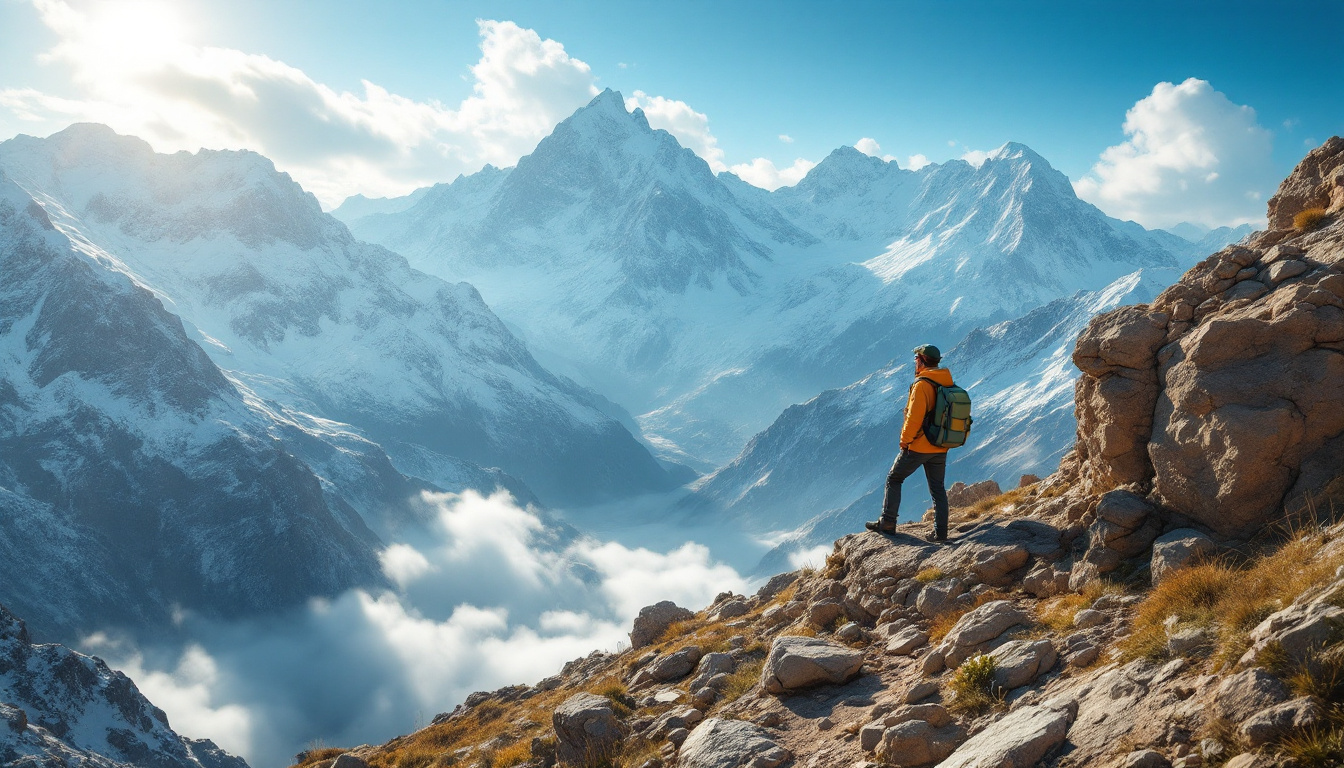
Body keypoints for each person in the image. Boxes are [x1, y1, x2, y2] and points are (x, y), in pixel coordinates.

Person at [865, 343, 953, 542]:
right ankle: (941, 533)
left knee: (894, 478)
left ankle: (887, 522)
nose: (915, 362)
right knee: (937, 488)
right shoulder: (946, 382)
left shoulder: (922, 385)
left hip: (919, 445)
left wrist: (905, 441)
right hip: (940, 444)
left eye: (916, 359)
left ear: (922, 361)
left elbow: (914, 418)